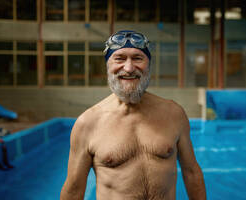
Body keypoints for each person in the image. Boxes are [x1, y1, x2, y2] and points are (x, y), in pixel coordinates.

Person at [60, 30, 206, 200]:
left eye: (137, 58)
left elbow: (191, 173)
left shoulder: (174, 114)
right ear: (108, 65)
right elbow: (74, 190)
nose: (129, 68)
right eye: (119, 58)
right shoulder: (88, 123)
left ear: (148, 65)